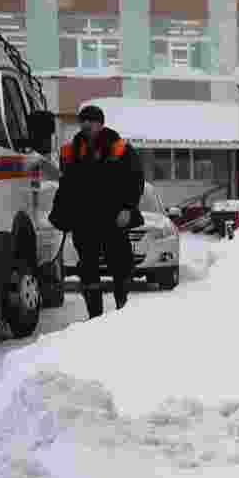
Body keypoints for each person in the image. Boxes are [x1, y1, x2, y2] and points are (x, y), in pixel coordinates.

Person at [50, 104, 145, 319]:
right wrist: (62, 216)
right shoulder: (70, 150)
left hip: (113, 217)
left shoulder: (120, 147)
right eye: (83, 120)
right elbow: (66, 186)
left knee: (120, 263)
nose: (86, 124)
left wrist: (128, 208)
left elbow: (135, 180)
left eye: (91, 120)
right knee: (87, 267)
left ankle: (122, 307)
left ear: (101, 124)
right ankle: (95, 316)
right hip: (84, 220)